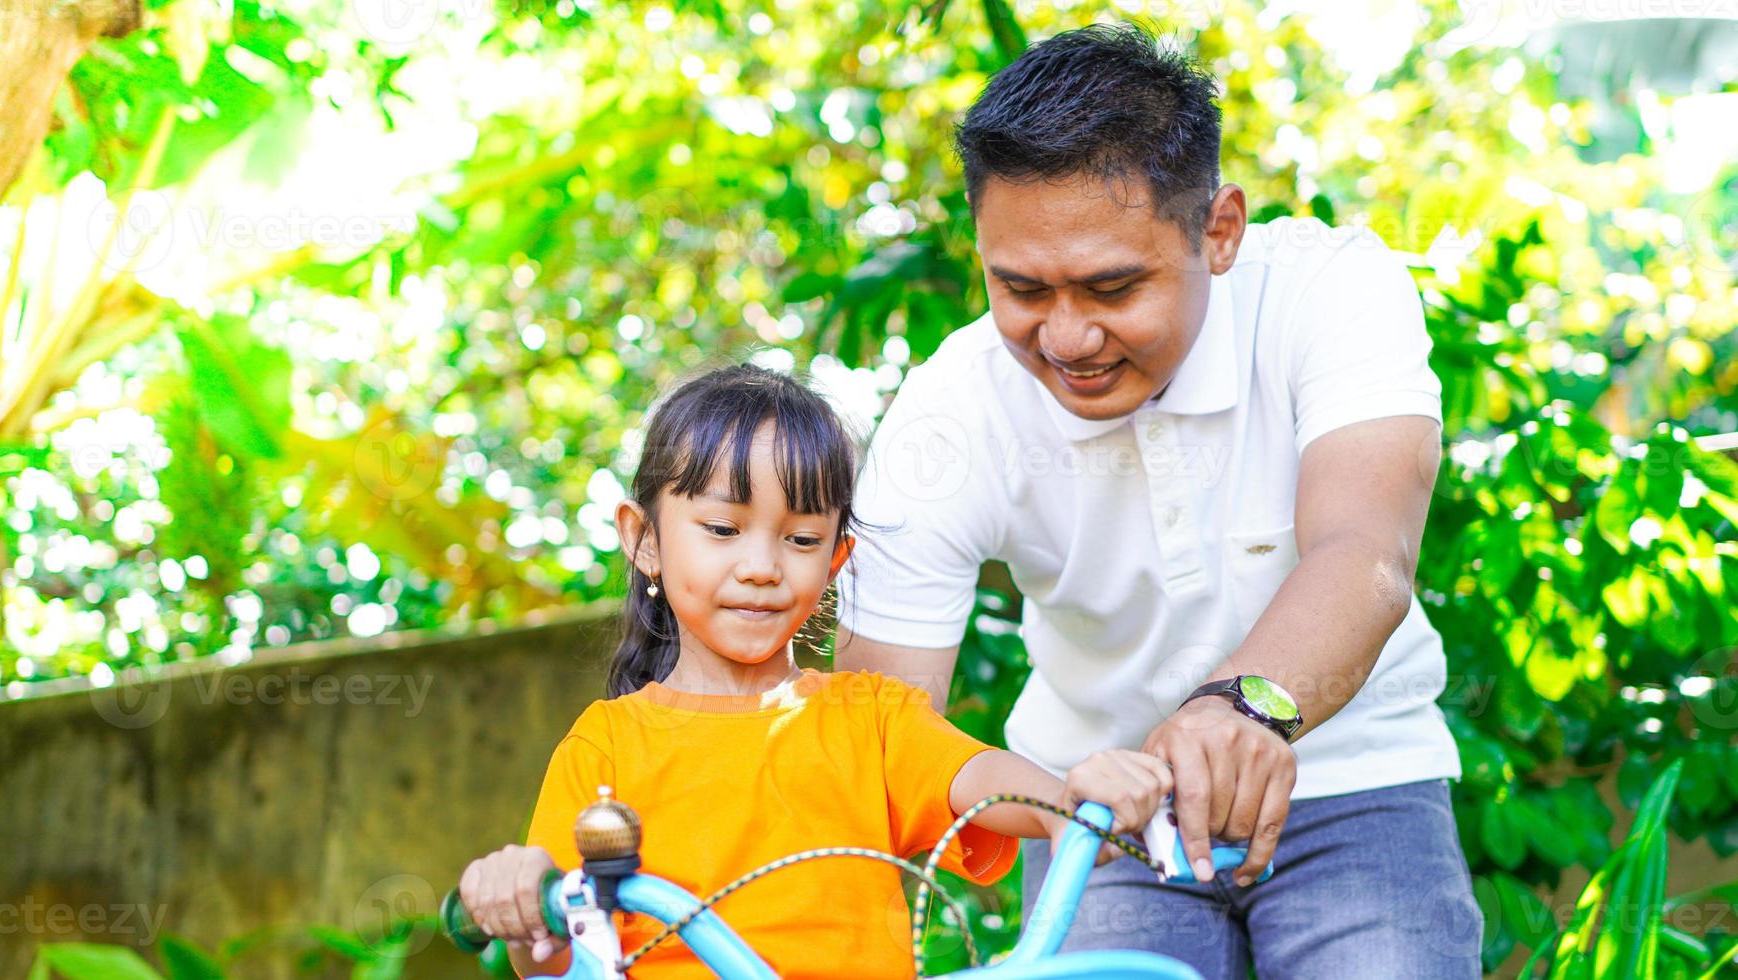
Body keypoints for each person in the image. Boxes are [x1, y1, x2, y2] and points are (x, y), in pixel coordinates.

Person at [833, 23, 1483, 979]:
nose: (1066, 337)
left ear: (1217, 231)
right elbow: (881, 726)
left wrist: (1239, 712)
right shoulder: (951, 408)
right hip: (1095, 810)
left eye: (1111, 286)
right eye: (1019, 288)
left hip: (1357, 782)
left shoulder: (1330, 291)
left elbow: (1364, 551)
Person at [458, 363, 1174, 979]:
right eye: (722, 529)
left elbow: (980, 783)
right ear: (644, 541)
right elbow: (554, 949)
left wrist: (1071, 799)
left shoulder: (873, 719)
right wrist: (521, 899)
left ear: (834, 560)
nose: (763, 567)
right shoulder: (608, 745)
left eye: (800, 539)